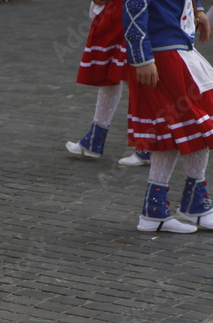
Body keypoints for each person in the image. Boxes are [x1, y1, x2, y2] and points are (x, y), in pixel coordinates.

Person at [123, 0, 213, 233]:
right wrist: (142, 58)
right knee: (191, 126)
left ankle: (159, 212)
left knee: (177, 131)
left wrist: (197, 8)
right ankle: (188, 207)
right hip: (163, 55)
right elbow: (134, 8)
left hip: (179, 49)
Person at [65, 0, 152, 166]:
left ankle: (147, 145)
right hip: (126, 12)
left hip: (127, 14)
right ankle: (94, 140)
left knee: (135, 76)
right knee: (113, 74)